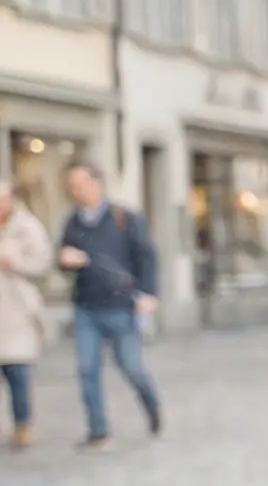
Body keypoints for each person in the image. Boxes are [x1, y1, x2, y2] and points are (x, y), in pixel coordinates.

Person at [56, 162, 160, 450]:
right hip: (86, 306)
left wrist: (149, 294)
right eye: (72, 186)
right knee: (87, 369)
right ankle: (99, 430)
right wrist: (65, 261)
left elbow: (146, 256)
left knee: (130, 366)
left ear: (97, 183)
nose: (76, 191)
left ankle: (151, 403)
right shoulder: (73, 222)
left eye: (81, 184)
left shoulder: (124, 217)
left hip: (121, 305)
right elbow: (63, 258)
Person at [0, 176, 49, 449]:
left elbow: (41, 264)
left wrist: (12, 261)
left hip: (17, 312)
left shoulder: (27, 227)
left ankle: (22, 425)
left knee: (17, 373)